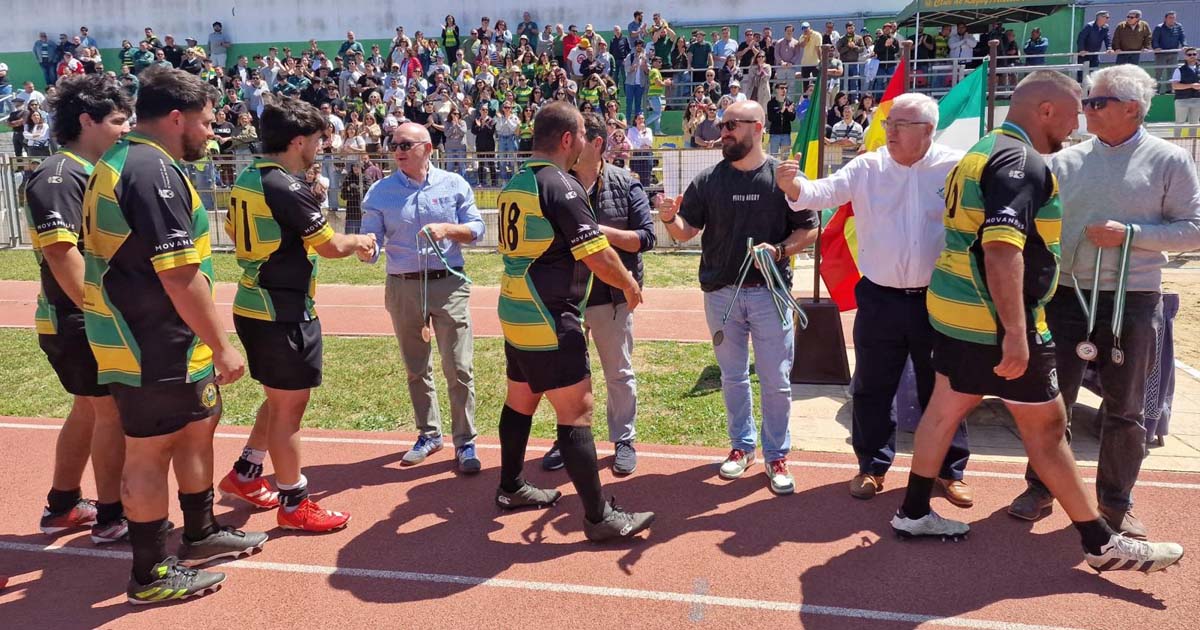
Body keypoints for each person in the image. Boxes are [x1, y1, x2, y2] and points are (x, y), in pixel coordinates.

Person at [888, 70, 1184, 574]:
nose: (1076, 126)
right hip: (995, 320)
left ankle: (913, 511)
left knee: (944, 408)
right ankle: (1100, 543)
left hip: (956, 312)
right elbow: (1002, 250)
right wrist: (1016, 332)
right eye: (1073, 113)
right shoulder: (1021, 161)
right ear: (1046, 109)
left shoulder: (983, 149)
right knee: (1047, 429)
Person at [81, 67, 267, 605]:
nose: (211, 133)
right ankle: (150, 574)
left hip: (162, 337)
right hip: (148, 339)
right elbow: (178, 273)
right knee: (150, 450)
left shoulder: (134, 162)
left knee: (194, 430)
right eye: (207, 122)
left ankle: (201, 532)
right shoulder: (149, 170)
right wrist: (224, 345)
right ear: (177, 117)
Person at [1010, 65, 1200, 537]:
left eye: (1096, 102)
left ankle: (1116, 502)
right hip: (1066, 296)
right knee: (1052, 399)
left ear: (1131, 109)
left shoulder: (1170, 160)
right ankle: (1041, 487)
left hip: (1133, 299)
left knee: (1126, 407)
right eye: (1086, 102)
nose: (1085, 110)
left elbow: (1193, 230)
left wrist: (1130, 234)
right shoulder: (1064, 161)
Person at [780, 92, 971, 502]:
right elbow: (820, 193)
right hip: (880, 298)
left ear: (928, 130)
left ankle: (949, 470)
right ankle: (872, 466)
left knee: (944, 386)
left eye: (900, 124)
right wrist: (792, 185)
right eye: (888, 124)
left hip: (939, 299)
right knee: (872, 385)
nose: (889, 131)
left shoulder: (957, 166)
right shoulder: (868, 166)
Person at [494, 101, 654, 541]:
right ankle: (599, 518)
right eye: (582, 134)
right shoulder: (560, 185)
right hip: (548, 316)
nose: (585, 141)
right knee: (576, 412)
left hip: (516, 309)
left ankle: (510, 486)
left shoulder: (516, 183)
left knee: (520, 400)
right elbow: (597, 253)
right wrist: (629, 284)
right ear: (568, 139)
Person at [217, 98, 375, 532]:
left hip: (255, 302)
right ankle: (294, 502)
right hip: (281, 309)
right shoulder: (285, 186)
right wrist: (360, 241)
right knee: (290, 408)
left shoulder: (249, 177)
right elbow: (330, 246)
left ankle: (246, 473)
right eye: (319, 140)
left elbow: (235, 229)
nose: (321, 148)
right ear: (299, 141)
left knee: (279, 399)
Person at [657, 101, 819, 495]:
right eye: (721, 125)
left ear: (757, 127)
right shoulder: (709, 179)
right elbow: (685, 231)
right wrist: (668, 217)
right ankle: (742, 447)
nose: (723, 131)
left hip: (770, 295)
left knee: (776, 381)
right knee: (732, 377)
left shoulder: (783, 178)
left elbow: (810, 229)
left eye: (731, 125)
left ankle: (776, 455)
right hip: (721, 294)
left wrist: (779, 250)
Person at [27, 75, 132, 547]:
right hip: (78, 317)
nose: (125, 129)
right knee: (111, 412)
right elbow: (59, 250)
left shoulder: (87, 170)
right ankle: (113, 516)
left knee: (89, 410)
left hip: (79, 315)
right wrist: (97, 312)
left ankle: (63, 504)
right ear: (87, 121)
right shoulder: (60, 173)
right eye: (117, 120)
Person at [362, 122, 485, 472]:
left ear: (427, 148)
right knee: (416, 368)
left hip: (448, 286)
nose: (397, 150)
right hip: (403, 287)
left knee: (459, 367)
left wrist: (448, 230)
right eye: (393, 145)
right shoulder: (379, 192)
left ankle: (465, 442)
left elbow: (477, 228)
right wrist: (366, 249)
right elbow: (371, 240)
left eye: (405, 144)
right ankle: (429, 434)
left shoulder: (454, 184)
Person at [539, 111, 655, 475]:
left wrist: (596, 232)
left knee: (618, 372)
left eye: (577, 137)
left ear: (597, 143)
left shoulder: (626, 184)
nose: (569, 145)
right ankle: (570, 439)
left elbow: (646, 238)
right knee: (568, 375)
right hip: (567, 299)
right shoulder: (555, 184)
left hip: (610, 299)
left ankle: (624, 439)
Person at [1153, 12, 1188, 94]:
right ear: (1165, 19)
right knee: (1158, 73)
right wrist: (1156, 47)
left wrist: (1184, 45)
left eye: (1173, 18)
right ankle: (1156, 90)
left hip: (1173, 53)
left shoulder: (1178, 26)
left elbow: (1182, 37)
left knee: (1172, 72)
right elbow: (1155, 39)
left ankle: (1169, 90)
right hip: (1161, 53)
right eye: (1170, 18)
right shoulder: (1159, 27)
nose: (1172, 19)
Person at [1077, 12, 1113, 80]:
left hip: (1095, 54)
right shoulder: (1089, 26)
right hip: (1084, 54)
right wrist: (1081, 50)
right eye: (1107, 17)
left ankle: (1092, 86)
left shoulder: (1105, 27)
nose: (1108, 19)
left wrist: (1109, 48)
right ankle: (1081, 86)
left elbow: (1107, 38)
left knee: (1094, 73)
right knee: (1082, 74)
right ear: (1100, 17)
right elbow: (1081, 38)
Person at [766, 83, 796, 157]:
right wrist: (781, 112)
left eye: (786, 88)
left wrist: (789, 112)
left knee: (785, 157)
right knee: (773, 156)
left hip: (786, 134)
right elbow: (770, 118)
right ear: (776, 90)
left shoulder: (790, 102)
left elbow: (792, 119)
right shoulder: (771, 103)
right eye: (782, 88)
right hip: (775, 134)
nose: (784, 90)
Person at [1174, 47, 1200, 123]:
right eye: (1189, 54)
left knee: (1195, 124)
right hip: (1182, 99)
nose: (1192, 56)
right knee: (1179, 123)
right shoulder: (1179, 69)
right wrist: (1191, 85)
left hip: (1197, 99)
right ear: (1185, 57)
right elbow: (1175, 86)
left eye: (1194, 54)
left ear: (1197, 55)